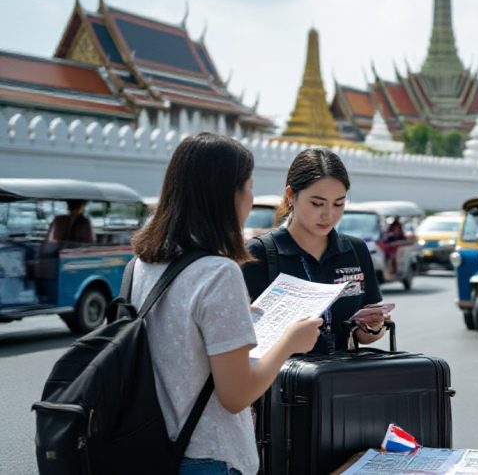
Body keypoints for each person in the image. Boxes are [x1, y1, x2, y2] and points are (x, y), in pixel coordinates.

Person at [129, 133, 322, 475]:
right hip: (208, 455)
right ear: (226, 194)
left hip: (151, 447)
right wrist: (290, 342)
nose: (251, 196)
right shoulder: (219, 273)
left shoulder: (141, 264)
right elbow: (236, 395)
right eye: (248, 185)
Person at [242, 148, 387, 354]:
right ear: (291, 195)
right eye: (317, 204)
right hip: (283, 381)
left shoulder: (355, 250)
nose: (328, 215)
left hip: (339, 380)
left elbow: (363, 334)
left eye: (339, 203)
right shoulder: (261, 253)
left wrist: (373, 327)